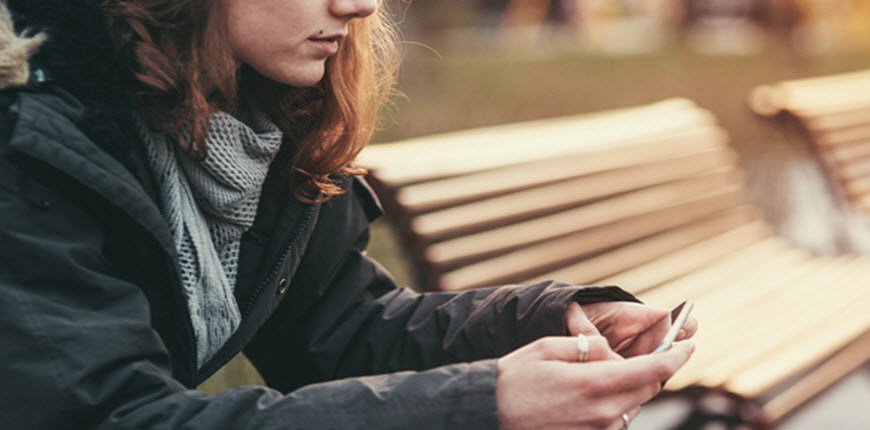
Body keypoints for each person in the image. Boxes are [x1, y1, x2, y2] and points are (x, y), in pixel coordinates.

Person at [0, 0, 697, 428]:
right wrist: (484, 406)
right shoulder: (23, 136)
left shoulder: (251, 118)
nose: (361, 5)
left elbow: (338, 330)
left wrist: (551, 321)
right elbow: (109, 419)